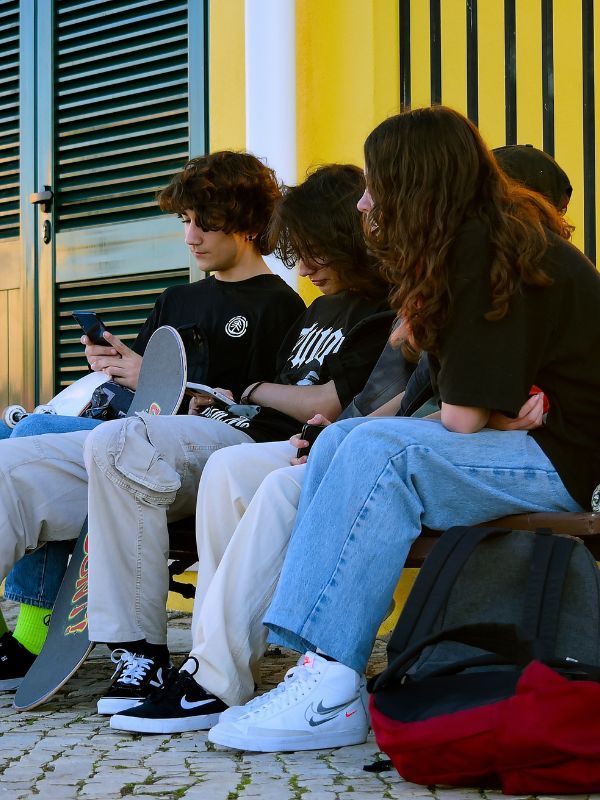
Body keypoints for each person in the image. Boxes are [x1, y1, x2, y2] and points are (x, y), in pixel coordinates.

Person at [108, 146, 572, 734]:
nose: (368, 208)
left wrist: (343, 424)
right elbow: (420, 397)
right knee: (258, 476)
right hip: (423, 441)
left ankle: (317, 676)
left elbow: (482, 410)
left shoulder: (513, 278)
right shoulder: (455, 277)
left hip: (493, 458)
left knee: (333, 466)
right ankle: (220, 670)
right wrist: (341, 428)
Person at [203, 106, 600, 753]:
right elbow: (476, 404)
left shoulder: (488, 243)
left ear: (415, 182)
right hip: (530, 445)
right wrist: (498, 409)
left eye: (376, 185)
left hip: (565, 466)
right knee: (339, 439)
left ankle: (330, 681)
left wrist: (495, 410)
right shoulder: (486, 237)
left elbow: (460, 417)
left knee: (380, 451)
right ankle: (321, 672)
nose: (364, 202)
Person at [0, 164, 391, 699]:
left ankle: (137, 653)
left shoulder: (313, 306)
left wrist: (237, 393)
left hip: (237, 441)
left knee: (117, 444)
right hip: (167, 429)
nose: (303, 262)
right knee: (13, 463)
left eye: (202, 222)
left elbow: (313, 401)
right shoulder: (316, 309)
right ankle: (24, 626)